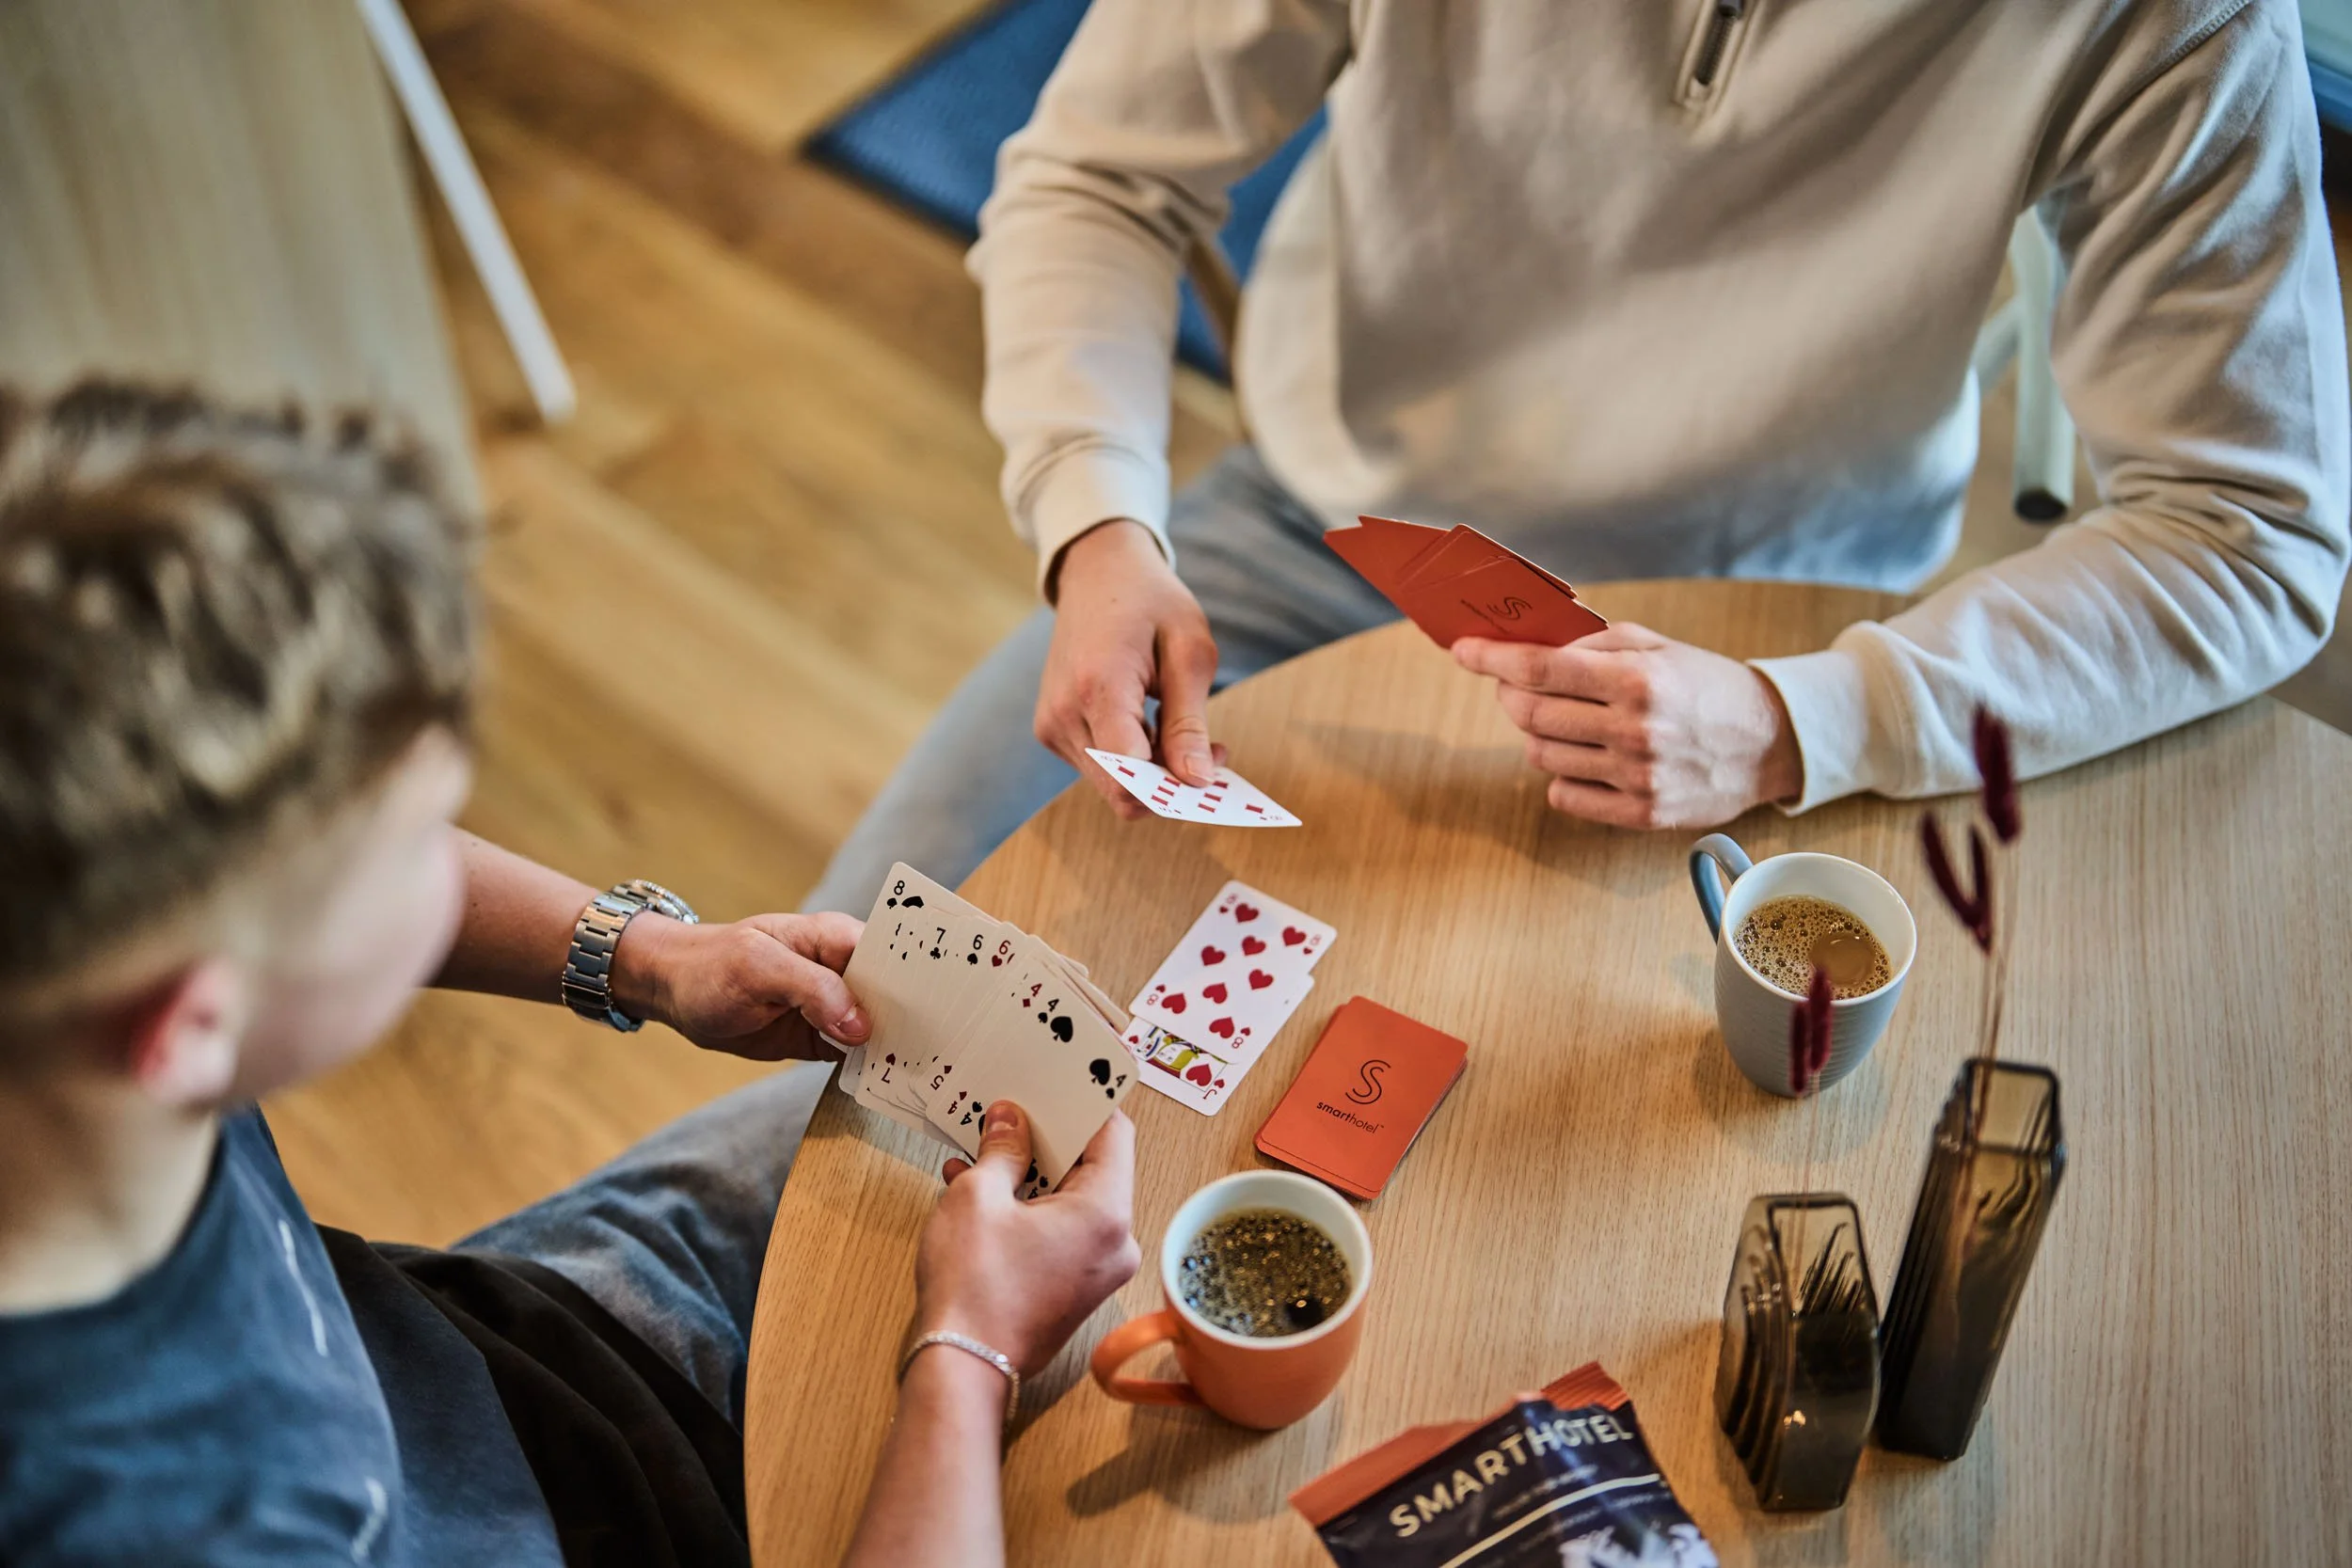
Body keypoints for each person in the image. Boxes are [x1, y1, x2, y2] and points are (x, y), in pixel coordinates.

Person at [807, 0, 2348, 914]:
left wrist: (1804, 718)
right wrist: (1095, 521)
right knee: (856, 994)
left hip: (1761, 643)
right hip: (1329, 524)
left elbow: (2250, 529)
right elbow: (1096, 173)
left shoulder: (2172, 19)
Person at [0, 383, 1139, 1567]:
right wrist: (970, 1348)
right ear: (188, 1026)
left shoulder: (66, 965)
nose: (448, 864)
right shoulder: (162, 1525)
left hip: (532, 1341)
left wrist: (653, 958)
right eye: (408, 849)